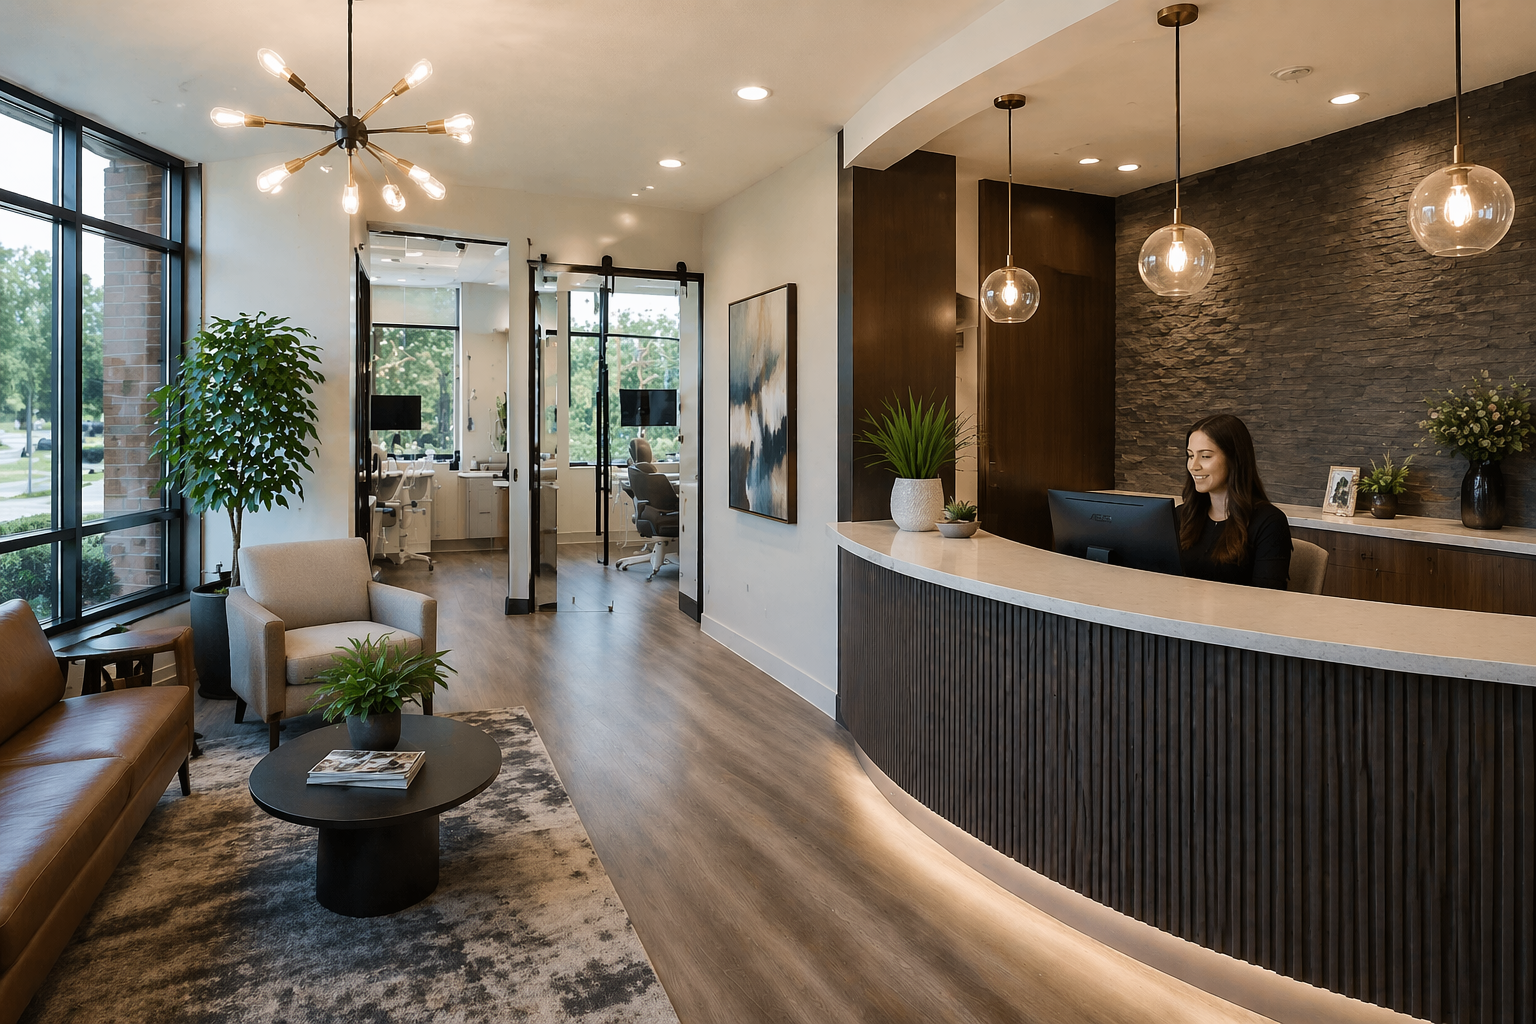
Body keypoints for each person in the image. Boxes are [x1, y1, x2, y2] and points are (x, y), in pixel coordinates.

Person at [1179, 414, 1293, 589]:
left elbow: (1267, 601)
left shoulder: (1269, 523)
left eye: (1206, 456)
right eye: (1190, 455)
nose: (1193, 466)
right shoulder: (1181, 515)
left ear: (1234, 459)